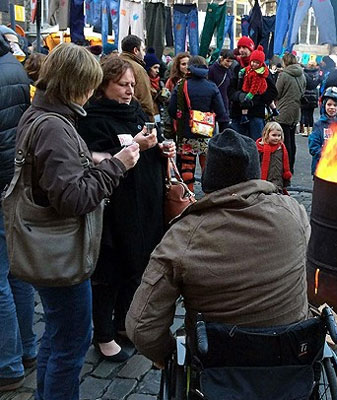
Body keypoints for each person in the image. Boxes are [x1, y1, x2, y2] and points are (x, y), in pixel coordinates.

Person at [14, 43, 139, 400]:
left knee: (57, 335)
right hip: (60, 253)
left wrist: (95, 159)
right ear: (76, 84)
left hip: (50, 248)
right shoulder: (55, 125)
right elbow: (73, 199)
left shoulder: (43, 114)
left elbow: (55, 174)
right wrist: (117, 165)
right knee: (70, 342)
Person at [125, 128, 310, 366]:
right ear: (254, 174)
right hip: (290, 353)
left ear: (210, 176)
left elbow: (141, 327)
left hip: (217, 363)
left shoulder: (183, 237)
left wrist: (168, 355)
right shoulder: (293, 212)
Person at [77, 56, 174, 362]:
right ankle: (103, 334)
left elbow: (144, 150)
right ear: (104, 84)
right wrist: (135, 146)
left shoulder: (137, 112)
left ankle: (123, 324)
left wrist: (161, 150)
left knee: (137, 267)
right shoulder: (91, 119)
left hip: (144, 207)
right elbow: (95, 160)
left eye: (132, 84)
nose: (129, 90)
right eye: (122, 85)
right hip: (114, 210)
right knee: (111, 272)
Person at [0, 30, 36, 393]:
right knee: (17, 274)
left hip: (1, 185)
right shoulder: (13, 66)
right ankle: (27, 349)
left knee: (0, 278)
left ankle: (8, 365)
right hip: (12, 182)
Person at [168, 56, 228, 191]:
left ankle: (189, 195)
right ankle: (208, 195)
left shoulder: (181, 85)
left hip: (186, 132)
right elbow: (221, 112)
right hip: (206, 133)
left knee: (187, 165)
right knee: (207, 165)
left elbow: (172, 110)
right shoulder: (211, 87)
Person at [229, 37, 278, 140]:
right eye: (240, 47)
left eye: (244, 47)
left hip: (256, 115)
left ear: (251, 49)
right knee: (236, 147)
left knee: (256, 146)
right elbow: (230, 90)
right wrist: (240, 96)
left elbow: (273, 92)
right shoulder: (237, 68)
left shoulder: (263, 70)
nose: (241, 50)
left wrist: (255, 99)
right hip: (238, 114)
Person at [274, 52, 306, 174]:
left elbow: (277, 93)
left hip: (283, 111)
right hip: (295, 111)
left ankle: (284, 168)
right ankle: (291, 166)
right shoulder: (302, 75)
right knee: (291, 141)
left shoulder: (284, 75)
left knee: (284, 141)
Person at [120, 35, 157, 120]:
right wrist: (150, 123)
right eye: (143, 50)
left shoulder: (112, 64)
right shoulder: (138, 69)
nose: (144, 54)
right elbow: (145, 100)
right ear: (136, 50)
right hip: (134, 119)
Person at [309, 86, 337, 176]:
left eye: (335, 105)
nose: (332, 108)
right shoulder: (318, 125)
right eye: (329, 104)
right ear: (324, 105)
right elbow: (313, 146)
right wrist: (326, 154)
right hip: (321, 168)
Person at [256, 121, 292, 193]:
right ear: (266, 134)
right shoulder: (259, 149)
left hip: (277, 180)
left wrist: (286, 181)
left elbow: (285, 165)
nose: (277, 138)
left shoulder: (281, 148)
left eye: (279, 136)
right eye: (274, 135)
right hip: (263, 180)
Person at [239, 45, 270, 125]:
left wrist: (250, 95)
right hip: (247, 88)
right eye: (253, 62)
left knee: (245, 103)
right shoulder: (250, 68)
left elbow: (254, 87)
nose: (254, 64)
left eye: (257, 63)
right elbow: (247, 68)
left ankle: (244, 116)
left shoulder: (258, 74)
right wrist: (242, 70)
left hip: (257, 92)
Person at [208, 49, 235, 117]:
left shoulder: (229, 71)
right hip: (213, 105)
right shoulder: (211, 70)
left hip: (225, 105)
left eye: (231, 62)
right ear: (221, 58)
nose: (229, 64)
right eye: (227, 61)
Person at [144, 47, 170, 120]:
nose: (157, 71)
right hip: (147, 115)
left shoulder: (160, 82)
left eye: (158, 68)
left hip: (157, 114)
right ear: (148, 68)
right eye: (155, 68)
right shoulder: (144, 82)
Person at [300, 60, 321, 137]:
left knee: (305, 114)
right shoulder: (317, 74)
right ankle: (311, 130)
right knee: (310, 114)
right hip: (313, 96)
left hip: (305, 95)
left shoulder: (304, 73)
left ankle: (305, 130)